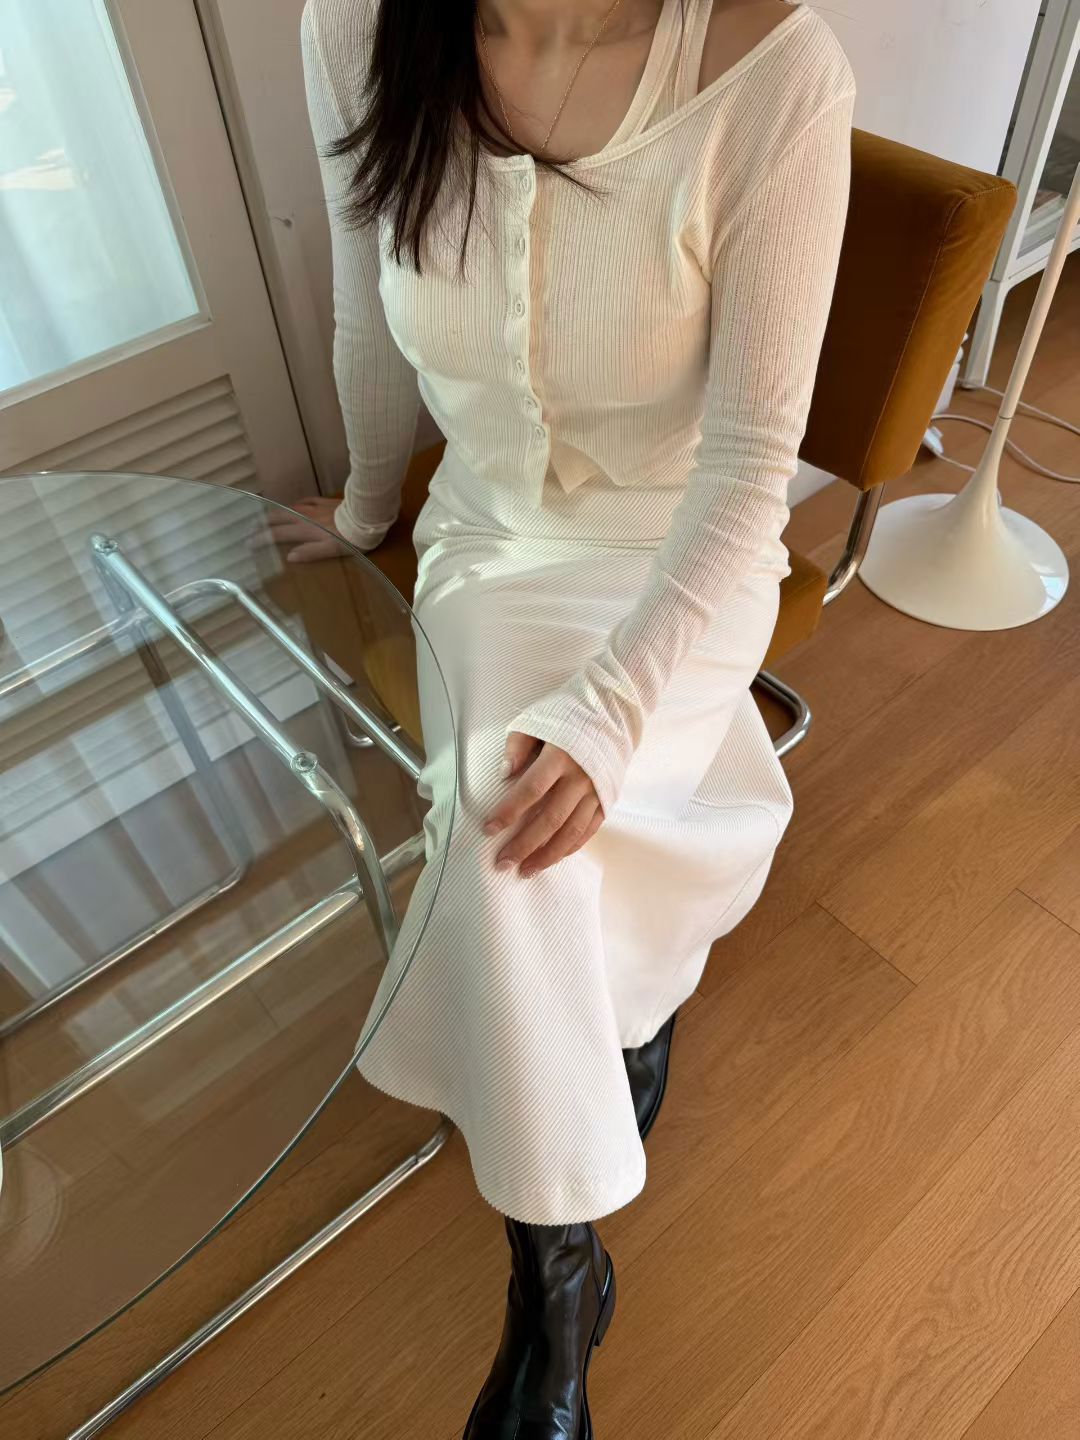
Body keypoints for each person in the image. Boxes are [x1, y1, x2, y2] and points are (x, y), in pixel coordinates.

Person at [276, 0, 855, 1432]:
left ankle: (551, 1302)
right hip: (492, 539)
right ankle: (568, 1265)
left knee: (512, 839)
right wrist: (365, 510)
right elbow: (367, 309)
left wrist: (609, 709)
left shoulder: (774, 73)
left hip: (677, 555)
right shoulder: (354, 28)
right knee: (510, 827)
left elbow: (749, 466)